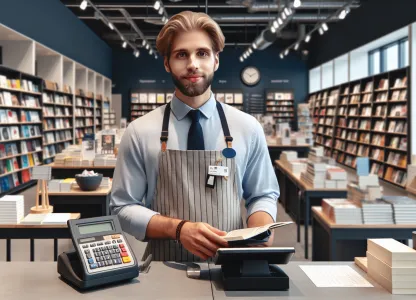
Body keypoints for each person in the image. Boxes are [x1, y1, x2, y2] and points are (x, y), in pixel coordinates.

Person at [110, 11, 280, 262]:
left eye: (202, 53)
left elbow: (263, 194)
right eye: (181, 54)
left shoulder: (247, 127)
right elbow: (122, 207)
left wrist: (260, 232)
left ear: (216, 60)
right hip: (163, 270)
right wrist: (178, 229)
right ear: (167, 63)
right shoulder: (139, 132)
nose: (193, 64)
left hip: (232, 268)